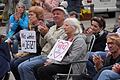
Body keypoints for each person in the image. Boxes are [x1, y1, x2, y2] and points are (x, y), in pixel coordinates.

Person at [17, 7, 68, 80]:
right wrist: (42, 34)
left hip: (50, 57)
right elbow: (43, 44)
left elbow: (58, 47)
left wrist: (46, 33)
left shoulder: (66, 29)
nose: (55, 15)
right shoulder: (52, 28)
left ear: (64, 16)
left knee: (25, 67)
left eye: (58, 14)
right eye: (54, 14)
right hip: (43, 54)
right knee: (20, 66)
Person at [9, 6, 46, 80]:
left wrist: (26, 51)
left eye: (31, 15)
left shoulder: (42, 27)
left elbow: (41, 46)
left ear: (38, 16)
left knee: (17, 63)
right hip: (30, 51)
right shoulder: (31, 26)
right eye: (28, 15)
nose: (29, 17)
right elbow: (21, 33)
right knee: (12, 62)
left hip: (39, 53)